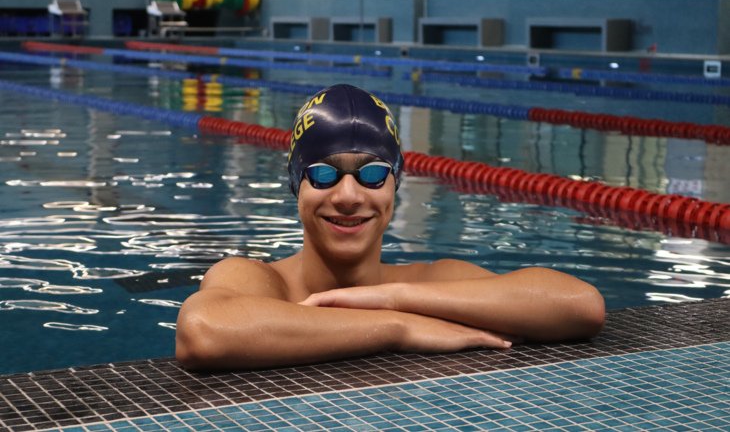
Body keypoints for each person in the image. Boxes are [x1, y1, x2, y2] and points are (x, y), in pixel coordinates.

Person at [176, 84, 605, 371]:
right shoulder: (257, 279)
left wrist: (394, 297)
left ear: (394, 186)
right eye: (324, 174)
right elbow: (204, 331)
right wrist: (395, 326)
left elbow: (580, 305)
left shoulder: (426, 284)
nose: (348, 195)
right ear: (296, 186)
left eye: (372, 174)